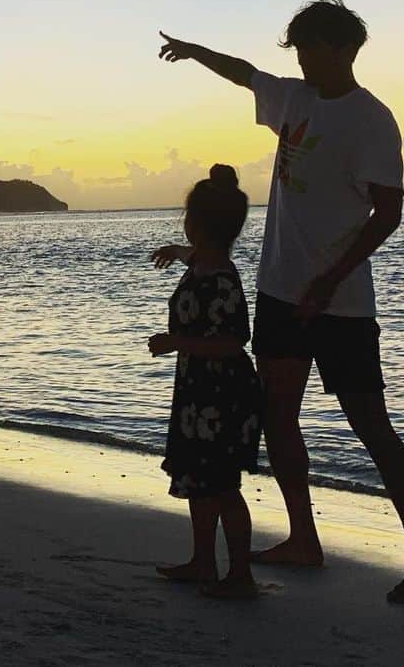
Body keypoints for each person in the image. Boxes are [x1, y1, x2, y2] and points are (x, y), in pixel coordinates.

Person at [159, 0, 404, 604]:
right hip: (278, 292)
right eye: (296, 48)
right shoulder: (295, 100)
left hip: (342, 304)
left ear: (344, 50)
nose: (300, 60)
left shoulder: (373, 121)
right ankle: (304, 539)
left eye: (310, 49)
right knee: (278, 415)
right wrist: (195, 53)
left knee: (372, 428)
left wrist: (330, 279)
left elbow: (389, 211)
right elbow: (246, 72)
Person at [149, 165, 262, 599]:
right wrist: (178, 250)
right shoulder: (203, 264)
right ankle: (202, 562)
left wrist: (176, 341)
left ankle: (240, 574)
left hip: (223, 394)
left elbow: (233, 342)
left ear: (197, 222)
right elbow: (196, 256)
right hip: (198, 390)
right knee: (199, 477)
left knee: (223, 485)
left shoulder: (221, 278)